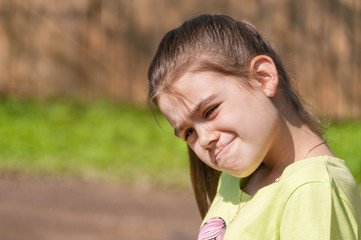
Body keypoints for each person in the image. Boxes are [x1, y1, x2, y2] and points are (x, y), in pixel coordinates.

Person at [147, 14, 361, 239]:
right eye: (188, 132)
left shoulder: (313, 189)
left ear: (263, 77)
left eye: (209, 111)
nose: (203, 139)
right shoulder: (235, 180)